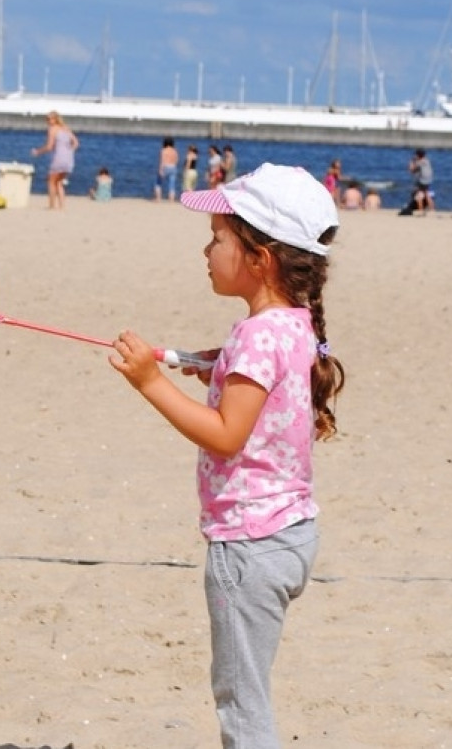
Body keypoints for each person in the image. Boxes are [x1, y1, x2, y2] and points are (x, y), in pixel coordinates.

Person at [111, 163, 344, 749]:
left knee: (242, 702)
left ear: (260, 258)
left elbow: (224, 434)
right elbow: (271, 387)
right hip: (290, 535)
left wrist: (149, 383)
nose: (205, 250)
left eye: (218, 239)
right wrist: (217, 364)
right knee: (247, 690)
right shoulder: (291, 325)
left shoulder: (258, 336)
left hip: (249, 545)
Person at [31, 110, 78, 210]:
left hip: (59, 158)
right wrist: (69, 151)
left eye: (49, 119)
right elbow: (76, 143)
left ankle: (52, 205)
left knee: (51, 182)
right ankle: (62, 206)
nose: (48, 121)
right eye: (47, 119)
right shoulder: (66, 128)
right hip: (69, 159)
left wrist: (38, 151)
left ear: (55, 119)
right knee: (59, 182)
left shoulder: (52, 129)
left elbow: (49, 147)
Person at [408, 148, 434, 213]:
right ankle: (432, 209)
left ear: (418, 155)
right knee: (426, 193)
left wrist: (411, 162)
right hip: (428, 180)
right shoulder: (427, 161)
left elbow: (412, 170)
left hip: (422, 181)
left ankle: (420, 209)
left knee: (419, 194)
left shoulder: (420, 162)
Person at [155, 137, 180, 202]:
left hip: (165, 166)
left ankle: (158, 198)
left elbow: (162, 161)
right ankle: (171, 199)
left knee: (158, 183)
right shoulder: (175, 151)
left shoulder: (163, 150)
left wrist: (160, 169)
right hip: (173, 167)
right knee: (172, 184)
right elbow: (177, 160)